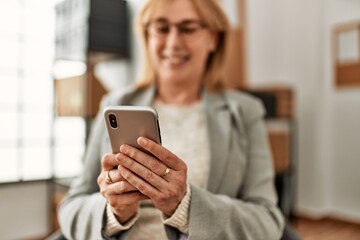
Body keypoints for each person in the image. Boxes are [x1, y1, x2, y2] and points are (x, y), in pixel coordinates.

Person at [58, 0, 285, 239]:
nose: (173, 43)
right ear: (147, 37)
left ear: (213, 39)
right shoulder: (114, 103)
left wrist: (185, 206)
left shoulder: (245, 111)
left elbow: (267, 220)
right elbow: (71, 207)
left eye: (188, 29)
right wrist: (113, 211)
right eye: (162, 28)